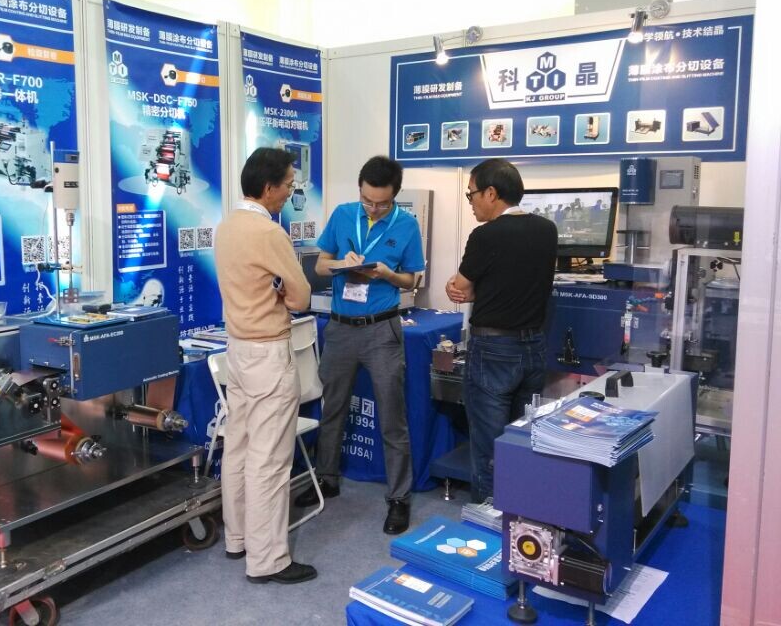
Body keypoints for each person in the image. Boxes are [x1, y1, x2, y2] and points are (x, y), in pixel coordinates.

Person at [294, 156, 424, 535]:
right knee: (332, 407)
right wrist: (341, 264)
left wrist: (386, 273)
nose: (373, 208)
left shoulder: (407, 225)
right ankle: (327, 478)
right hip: (340, 328)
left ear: (394, 196)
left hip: (381, 330)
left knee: (391, 416)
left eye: (381, 203)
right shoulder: (343, 214)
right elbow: (320, 266)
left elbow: (412, 280)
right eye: (367, 200)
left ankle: (398, 498)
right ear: (360, 191)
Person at [214, 147, 314, 585]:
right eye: (289, 184)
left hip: (237, 350)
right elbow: (301, 296)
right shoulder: (269, 232)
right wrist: (281, 294)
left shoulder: (226, 226)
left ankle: (237, 539)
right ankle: (268, 559)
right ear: (269, 187)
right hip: (268, 353)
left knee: (238, 446)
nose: (291, 191)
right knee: (269, 460)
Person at [445, 158, 557, 503]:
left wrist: (462, 288)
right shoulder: (547, 229)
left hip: (493, 350)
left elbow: (460, 287)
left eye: (472, 194)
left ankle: (489, 518)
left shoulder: (485, 235)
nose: (471, 202)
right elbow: (512, 283)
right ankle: (521, 515)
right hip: (534, 347)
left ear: (491, 193)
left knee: (489, 447)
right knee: (522, 440)